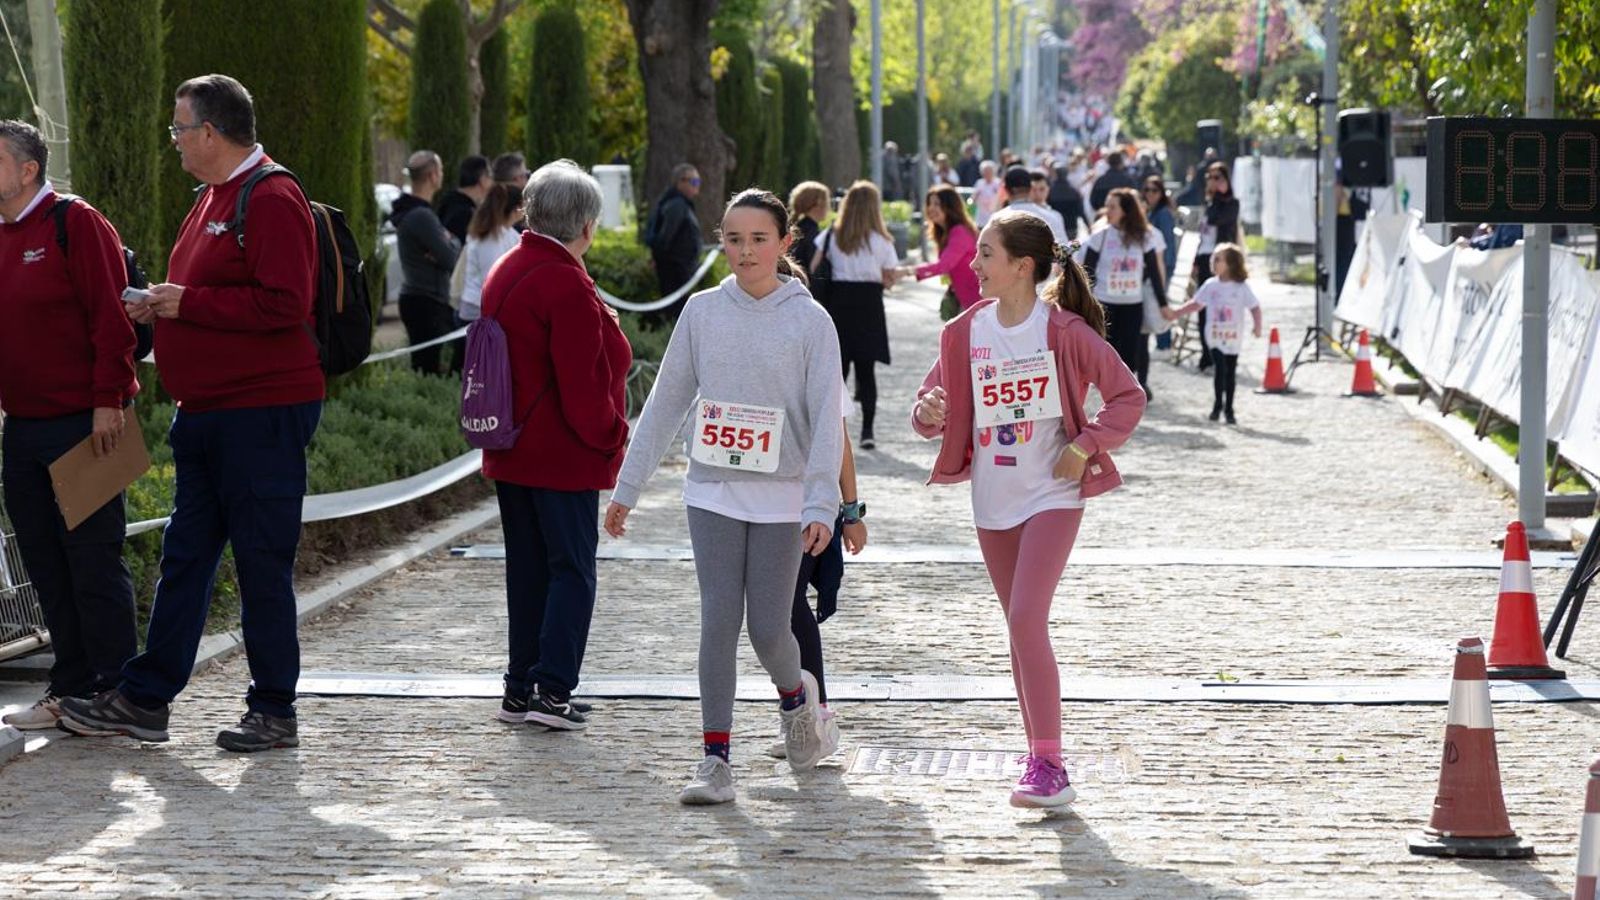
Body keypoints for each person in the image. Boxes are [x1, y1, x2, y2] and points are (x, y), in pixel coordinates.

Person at [59, 74, 323, 751]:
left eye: (179, 129)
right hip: (208, 413)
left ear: (211, 132)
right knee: (185, 557)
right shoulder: (212, 198)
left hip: (260, 414)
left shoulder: (272, 196)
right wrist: (159, 303)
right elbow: (207, 292)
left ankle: (274, 710)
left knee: (261, 562)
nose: (173, 141)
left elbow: (286, 304)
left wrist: (185, 305)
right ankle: (146, 699)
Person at [604, 188, 843, 806]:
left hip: (782, 499)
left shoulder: (811, 321)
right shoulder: (702, 313)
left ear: (784, 243)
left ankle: (798, 703)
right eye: (733, 239)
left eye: (759, 239)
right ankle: (715, 761)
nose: (745, 251)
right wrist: (627, 487)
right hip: (711, 490)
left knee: (769, 630)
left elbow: (827, 419)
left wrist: (824, 505)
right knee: (717, 621)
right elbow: (664, 403)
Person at [909, 209, 1145, 808]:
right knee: (1017, 630)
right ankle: (1036, 753)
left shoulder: (1063, 332)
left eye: (985, 253)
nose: (973, 264)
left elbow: (1127, 396)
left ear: (1022, 266)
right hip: (992, 502)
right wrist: (929, 412)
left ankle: (1049, 765)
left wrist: (1085, 445)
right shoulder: (964, 332)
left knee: (1025, 620)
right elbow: (925, 411)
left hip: (1052, 496)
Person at [481, 160, 631, 731]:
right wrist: (615, 436)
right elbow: (581, 384)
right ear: (586, 225)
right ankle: (553, 691)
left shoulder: (509, 266)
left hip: (512, 445)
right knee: (572, 569)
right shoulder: (564, 280)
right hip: (561, 450)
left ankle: (520, 688)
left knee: (527, 569)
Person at [0, 119, 140, 732]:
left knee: (93, 560)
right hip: (22, 428)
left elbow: (114, 319)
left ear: (27, 169)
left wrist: (109, 399)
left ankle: (116, 690)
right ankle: (70, 687)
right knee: (45, 563)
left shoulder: (75, 222)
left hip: (88, 423)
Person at [767, 395, 867, 761]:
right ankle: (800, 712)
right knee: (775, 611)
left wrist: (852, 513)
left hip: (811, 507)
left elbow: (838, 438)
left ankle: (814, 714)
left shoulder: (818, 344)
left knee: (789, 605)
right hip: (762, 502)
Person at [812, 180, 900, 450]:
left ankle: (831, 430)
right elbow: (889, 278)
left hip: (839, 304)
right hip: (869, 305)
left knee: (837, 371)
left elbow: (815, 268)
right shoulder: (882, 241)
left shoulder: (832, 235)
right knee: (866, 371)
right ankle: (867, 431)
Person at [1082, 187, 1167, 399]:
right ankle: (1110, 396)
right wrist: (1082, 304)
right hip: (1105, 304)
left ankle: (1124, 397)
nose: (1107, 210)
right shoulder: (1099, 236)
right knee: (1109, 352)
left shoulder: (1144, 237)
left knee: (1130, 353)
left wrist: (1163, 304)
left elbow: (1155, 274)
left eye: (1112, 207)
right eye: (1107, 206)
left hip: (1132, 303)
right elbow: (1086, 273)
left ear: (1126, 211)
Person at [1165, 243, 1261, 424]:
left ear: (1231, 263)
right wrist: (1176, 313)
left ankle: (1229, 408)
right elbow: (1196, 303)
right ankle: (1217, 405)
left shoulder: (1241, 287)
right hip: (1215, 336)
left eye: (1218, 259)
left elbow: (1255, 307)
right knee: (1220, 369)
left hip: (1233, 337)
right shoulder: (1210, 285)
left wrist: (1257, 326)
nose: (1213, 262)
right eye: (1213, 258)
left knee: (1230, 372)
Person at [392, 150, 464, 375]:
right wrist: (451, 242)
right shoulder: (421, 216)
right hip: (426, 301)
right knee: (429, 369)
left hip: (423, 299)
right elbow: (453, 258)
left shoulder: (418, 212)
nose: (442, 175)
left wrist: (450, 242)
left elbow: (449, 249)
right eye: (440, 170)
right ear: (433, 175)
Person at [900, 183, 979, 319]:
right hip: (966, 298)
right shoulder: (946, 232)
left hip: (976, 300)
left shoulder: (960, 232)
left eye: (937, 204)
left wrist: (907, 271)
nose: (931, 208)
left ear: (950, 207)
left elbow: (943, 265)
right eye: (929, 204)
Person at [1193, 161, 1240, 371]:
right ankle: (1207, 354)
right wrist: (1195, 260)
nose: (1212, 181)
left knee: (1221, 308)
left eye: (1217, 177)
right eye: (1209, 178)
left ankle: (1220, 354)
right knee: (1202, 307)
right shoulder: (1210, 203)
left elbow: (1218, 220)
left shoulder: (1230, 203)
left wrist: (1221, 194)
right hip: (1204, 259)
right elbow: (1202, 235)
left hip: (1220, 260)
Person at [643, 163, 703, 318]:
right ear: (681, 182)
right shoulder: (676, 205)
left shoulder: (680, 204)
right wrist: (658, 258)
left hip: (680, 270)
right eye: (695, 182)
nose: (697, 188)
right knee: (677, 313)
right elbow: (665, 238)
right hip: (675, 271)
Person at [457, 182, 523, 323]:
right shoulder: (490, 239)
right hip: (477, 311)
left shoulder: (509, 234)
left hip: (490, 309)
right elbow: (491, 280)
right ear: (516, 209)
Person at [1142, 176, 1178, 351]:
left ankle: (1164, 342)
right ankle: (1162, 341)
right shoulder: (1152, 212)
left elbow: (1166, 244)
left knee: (1160, 301)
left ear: (1161, 193)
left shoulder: (1163, 213)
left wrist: (1165, 267)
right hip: (1154, 266)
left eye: (1154, 190)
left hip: (1163, 264)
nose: (1150, 194)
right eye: (1147, 190)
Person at [999, 166, 1067, 246]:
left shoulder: (998, 220)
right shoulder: (1053, 217)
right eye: (1035, 190)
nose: (1038, 194)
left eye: (1042, 189)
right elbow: (1064, 251)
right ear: (1030, 189)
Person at [437, 155, 491, 244]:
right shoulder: (466, 214)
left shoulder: (448, 200)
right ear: (482, 179)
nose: (492, 182)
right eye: (490, 176)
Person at [787, 181, 829, 271]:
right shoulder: (813, 234)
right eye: (827, 202)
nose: (828, 207)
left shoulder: (795, 228)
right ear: (818, 204)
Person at [1047, 166, 1090, 240]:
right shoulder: (1074, 191)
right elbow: (1081, 211)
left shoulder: (1050, 191)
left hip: (1055, 227)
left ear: (1056, 174)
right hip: (1071, 227)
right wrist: (1088, 225)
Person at [973, 160, 1003, 227]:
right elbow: (973, 199)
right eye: (985, 171)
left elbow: (1002, 198)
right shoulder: (979, 183)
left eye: (989, 171)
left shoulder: (998, 183)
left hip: (995, 216)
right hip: (981, 218)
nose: (987, 173)